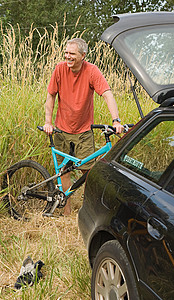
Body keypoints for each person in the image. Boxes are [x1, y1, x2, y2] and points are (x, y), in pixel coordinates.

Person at [43, 38, 124, 216]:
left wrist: (116, 120)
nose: (67, 56)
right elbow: (50, 97)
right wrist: (48, 122)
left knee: (88, 171)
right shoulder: (59, 69)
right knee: (64, 171)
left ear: (83, 56)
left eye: (72, 53)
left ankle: (89, 211)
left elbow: (107, 94)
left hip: (84, 130)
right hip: (61, 129)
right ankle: (67, 211)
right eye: (66, 52)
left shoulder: (91, 71)